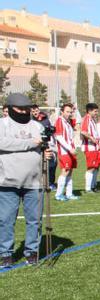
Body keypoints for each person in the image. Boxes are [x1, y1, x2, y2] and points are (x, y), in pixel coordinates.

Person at [0, 93, 52, 268]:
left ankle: (32, 251)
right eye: (20, 109)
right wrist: (31, 143)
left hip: (34, 181)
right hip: (8, 181)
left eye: (26, 109)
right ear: (10, 108)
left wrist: (47, 152)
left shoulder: (36, 126)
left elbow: (45, 145)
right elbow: (3, 143)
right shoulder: (3, 124)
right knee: (6, 220)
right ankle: (5, 253)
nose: (24, 111)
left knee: (34, 220)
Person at [53, 103, 78, 201]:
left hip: (70, 150)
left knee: (70, 171)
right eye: (67, 112)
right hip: (64, 151)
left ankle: (69, 194)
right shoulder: (59, 121)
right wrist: (69, 148)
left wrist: (76, 110)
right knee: (65, 171)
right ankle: (58, 195)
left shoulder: (68, 121)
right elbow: (59, 137)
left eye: (70, 112)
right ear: (62, 112)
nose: (69, 114)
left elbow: (78, 121)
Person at [32, 106, 56, 191]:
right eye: (33, 111)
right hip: (39, 146)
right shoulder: (31, 121)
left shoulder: (46, 119)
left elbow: (51, 131)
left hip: (49, 144)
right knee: (41, 165)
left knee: (52, 164)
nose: (35, 112)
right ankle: (42, 183)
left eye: (36, 110)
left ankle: (51, 183)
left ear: (39, 110)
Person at [80, 103, 100, 193]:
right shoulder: (86, 119)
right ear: (89, 111)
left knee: (95, 167)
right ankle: (88, 188)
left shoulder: (92, 120)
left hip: (94, 147)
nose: (96, 113)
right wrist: (92, 138)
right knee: (91, 167)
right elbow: (83, 131)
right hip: (89, 147)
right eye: (95, 111)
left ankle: (93, 186)